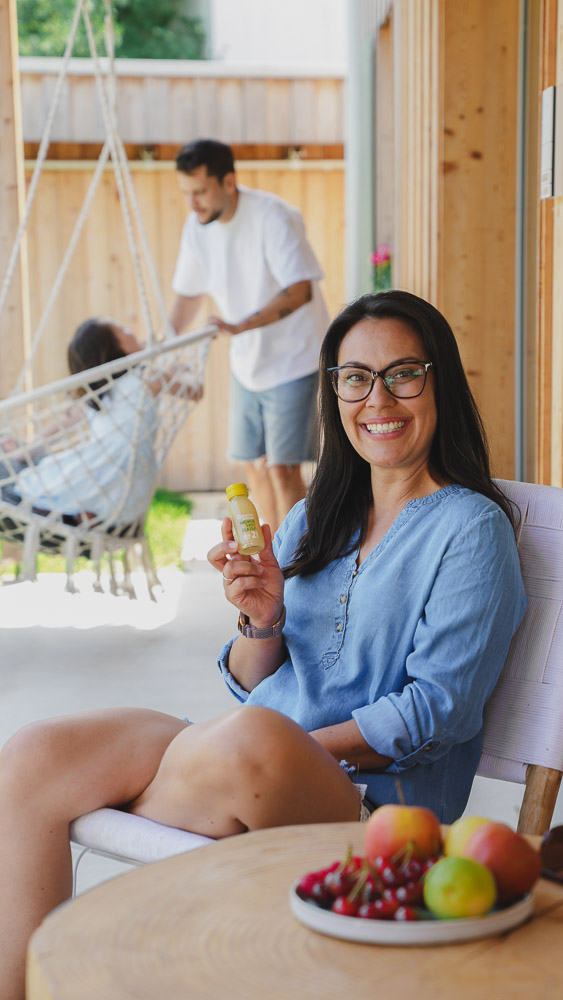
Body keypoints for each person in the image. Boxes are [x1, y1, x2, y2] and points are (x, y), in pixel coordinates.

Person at [0, 290, 527, 1000]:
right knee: (34, 756)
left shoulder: (470, 529)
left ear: (440, 383)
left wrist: (287, 745)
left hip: (371, 806)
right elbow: (251, 683)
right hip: (240, 754)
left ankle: (189, 774)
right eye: (354, 377)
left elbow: (436, 710)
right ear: (334, 392)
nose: (379, 398)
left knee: (248, 736)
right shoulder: (315, 516)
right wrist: (261, 620)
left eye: (404, 372)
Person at [168, 137, 330, 531]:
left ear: (228, 182)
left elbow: (300, 290)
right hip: (249, 364)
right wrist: (165, 338)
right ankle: (273, 558)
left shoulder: (271, 216)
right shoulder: (197, 226)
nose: (193, 203)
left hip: (295, 358)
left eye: (201, 191)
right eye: (187, 193)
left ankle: (299, 566)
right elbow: (188, 294)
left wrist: (238, 326)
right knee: (249, 465)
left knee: (281, 470)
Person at [0, 318, 161, 528]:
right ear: (116, 348)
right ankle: (78, 512)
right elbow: (193, 388)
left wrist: (24, 453)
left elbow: (63, 424)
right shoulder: (146, 380)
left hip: (101, 481)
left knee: (14, 471)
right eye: (123, 329)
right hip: (131, 495)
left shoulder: (105, 390)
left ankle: (73, 512)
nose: (131, 330)